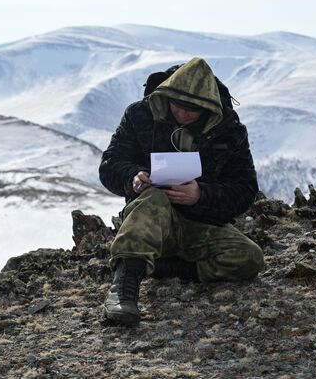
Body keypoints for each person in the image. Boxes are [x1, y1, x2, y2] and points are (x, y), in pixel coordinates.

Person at [99, 57, 264, 325]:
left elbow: (245, 189)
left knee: (249, 258)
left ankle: (165, 268)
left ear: (208, 107)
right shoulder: (140, 115)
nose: (183, 113)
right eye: (177, 105)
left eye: (192, 109)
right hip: (148, 221)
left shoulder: (228, 131)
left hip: (200, 223)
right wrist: (132, 177)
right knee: (153, 197)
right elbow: (110, 164)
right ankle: (123, 291)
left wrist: (201, 195)